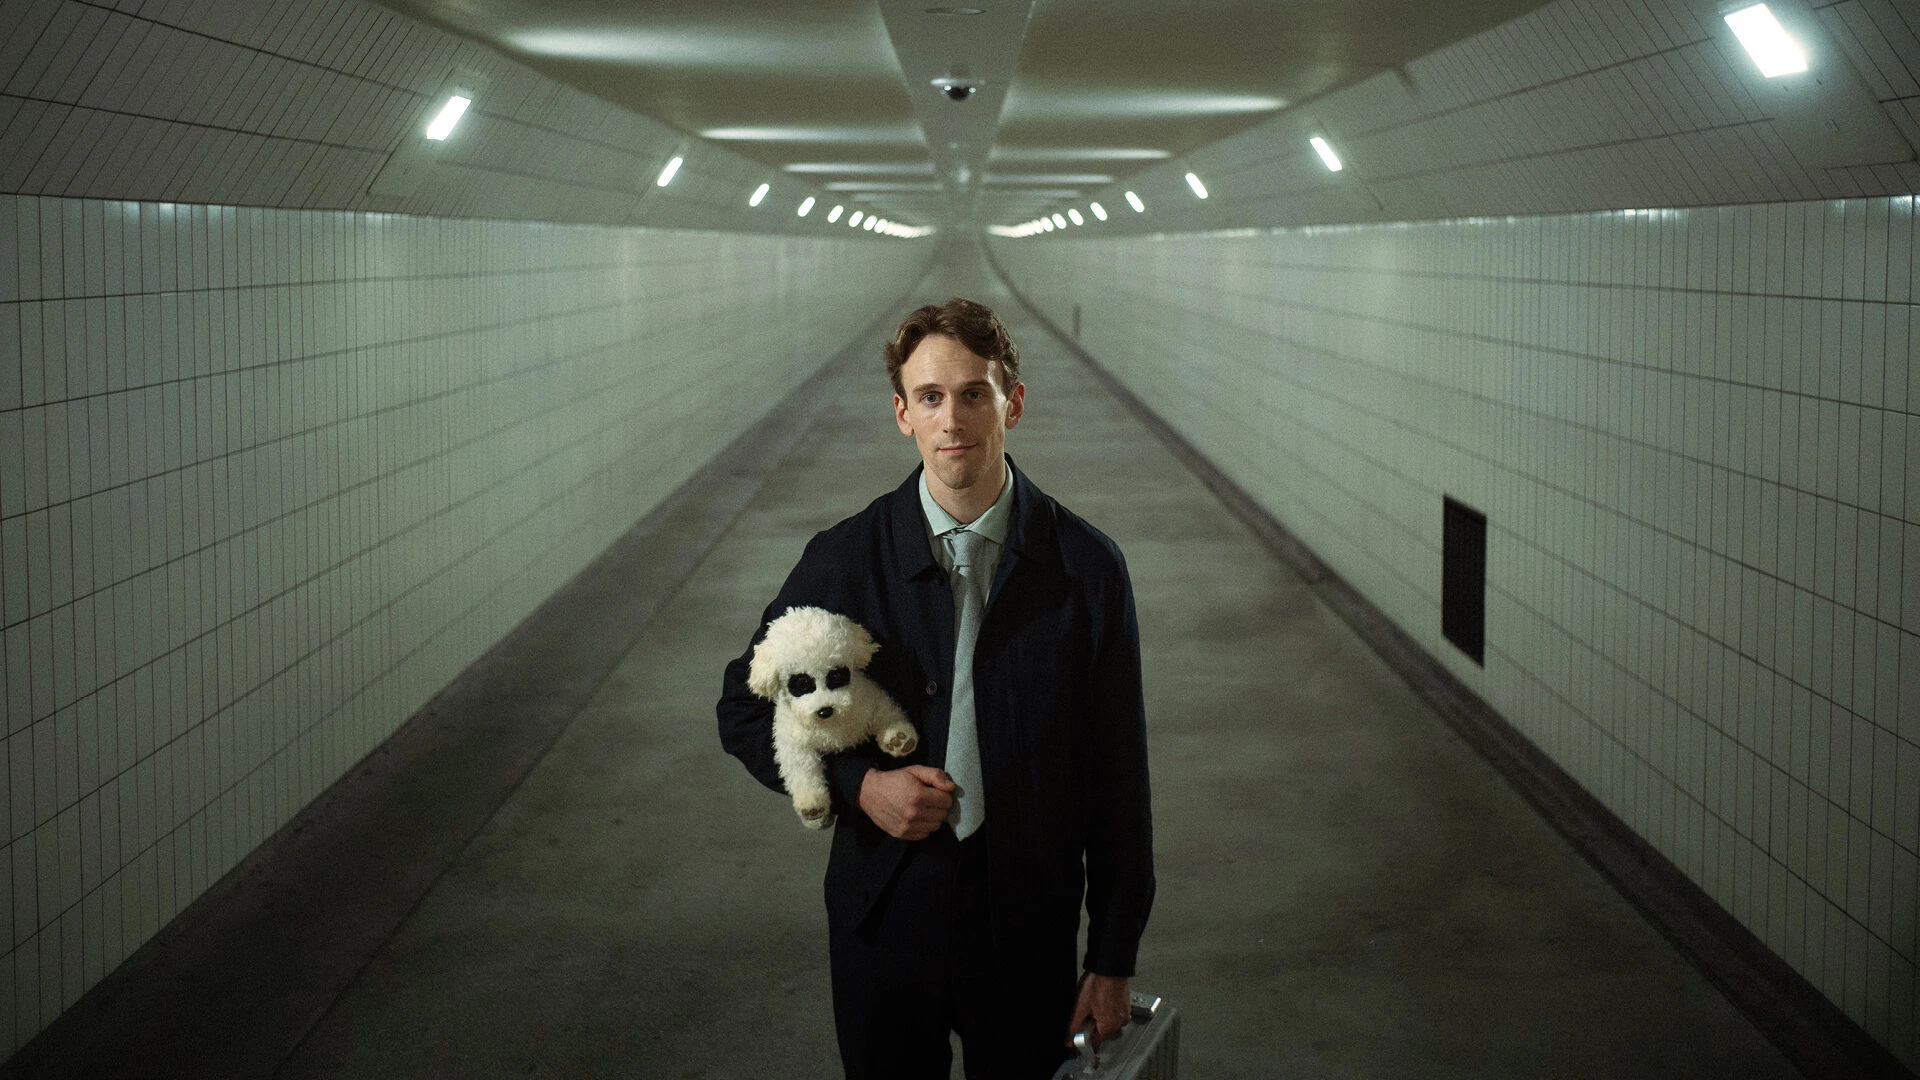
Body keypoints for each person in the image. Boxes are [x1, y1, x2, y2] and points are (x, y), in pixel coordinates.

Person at [716, 297, 1154, 1080]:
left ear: (1012, 403)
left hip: (1026, 927)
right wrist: (859, 786)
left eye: (974, 393)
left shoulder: (1086, 570)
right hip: (885, 917)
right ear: (902, 414)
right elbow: (743, 708)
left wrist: (1113, 955)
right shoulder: (847, 559)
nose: (952, 420)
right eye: (929, 397)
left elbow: (1119, 778)